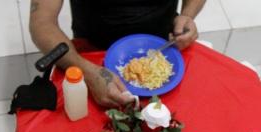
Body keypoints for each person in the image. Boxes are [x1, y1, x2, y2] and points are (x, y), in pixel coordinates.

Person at [29, 0, 205, 108]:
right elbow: (42, 22)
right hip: (91, 55)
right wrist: (86, 71)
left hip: (165, 47)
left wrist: (187, 15)